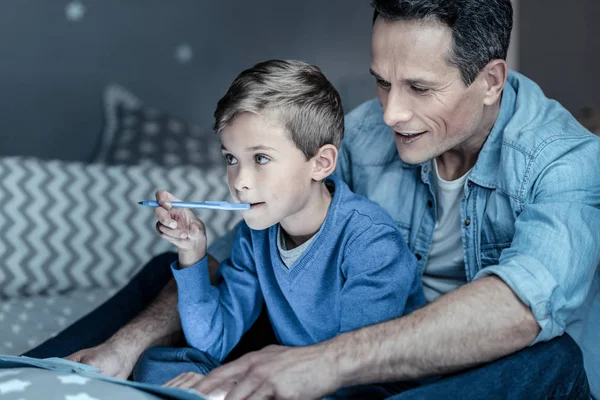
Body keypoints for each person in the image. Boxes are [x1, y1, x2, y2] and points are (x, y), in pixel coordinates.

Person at [25, 0, 600, 398]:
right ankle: (39, 377)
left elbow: (519, 309)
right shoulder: (367, 132)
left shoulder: (565, 161)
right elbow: (242, 257)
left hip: (459, 369)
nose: (392, 112)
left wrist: (318, 364)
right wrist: (130, 342)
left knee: (547, 361)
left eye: (419, 88)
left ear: (492, 80)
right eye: (381, 81)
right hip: (336, 346)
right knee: (176, 272)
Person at [130, 59, 425, 395]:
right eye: (231, 159)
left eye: (261, 158)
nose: (239, 181)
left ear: (321, 163)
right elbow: (213, 340)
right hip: (293, 379)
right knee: (155, 364)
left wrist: (240, 386)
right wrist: (193, 254)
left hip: (365, 387)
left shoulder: (371, 242)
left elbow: (357, 370)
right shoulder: (255, 237)